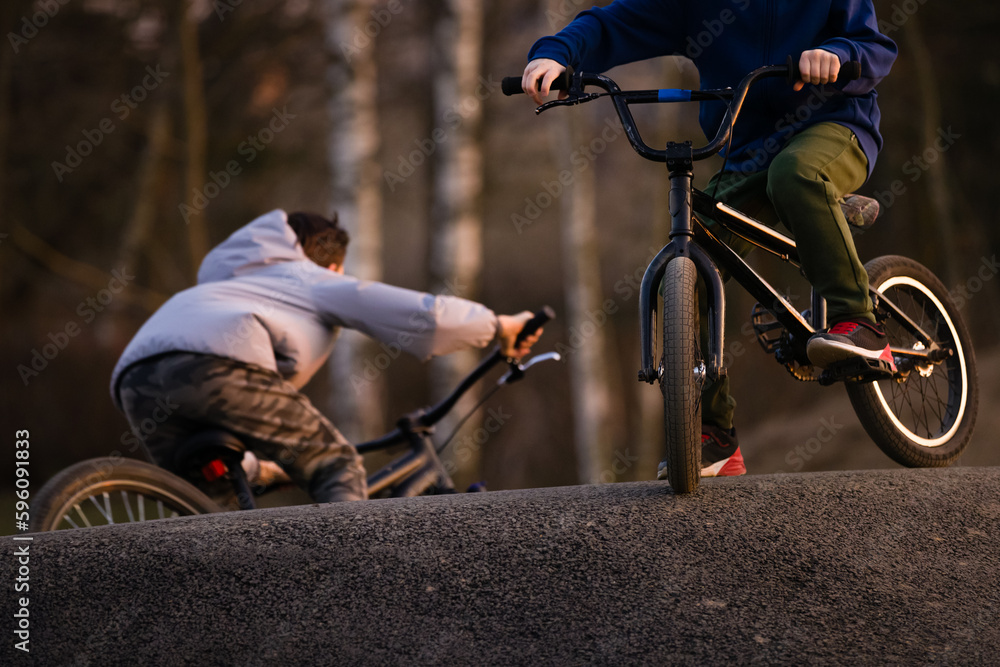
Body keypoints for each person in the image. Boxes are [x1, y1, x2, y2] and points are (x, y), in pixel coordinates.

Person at [521, 0, 897, 478]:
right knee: (687, 267)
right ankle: (713, 433)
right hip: (747, 153)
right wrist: (556, 54)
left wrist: (838, 55)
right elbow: (610, 24)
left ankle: (860, 321)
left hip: (837, 128)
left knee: (796, 174)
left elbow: (875, 48)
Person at [110, 209, 541, 504]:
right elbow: (416, 314)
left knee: (209, 510)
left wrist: (266, 468)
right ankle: (343, 604)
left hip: (136, 381)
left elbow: (220, 406)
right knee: (336, 463)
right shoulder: (305, 277)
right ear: (331, 267)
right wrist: (498, 325)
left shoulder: (224, 285)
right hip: (219, 367)